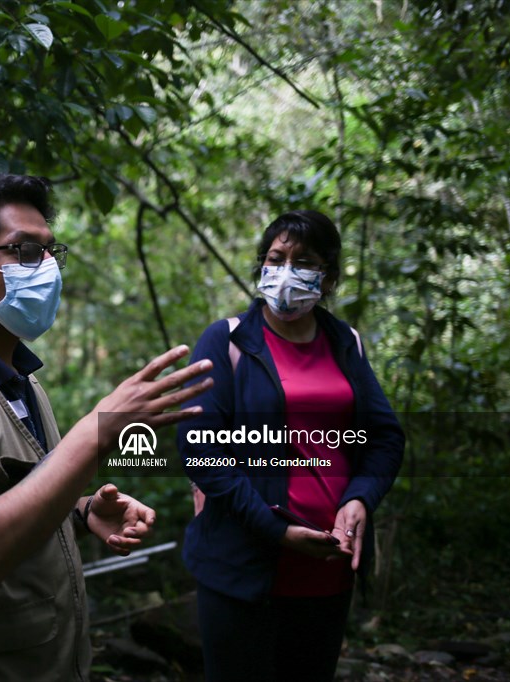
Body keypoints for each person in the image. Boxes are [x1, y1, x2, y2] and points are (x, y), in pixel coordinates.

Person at [0, 174, 214, 681]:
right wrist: (97, 432)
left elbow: (12, 496)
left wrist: (79, 512)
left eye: (52, 251)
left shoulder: (20, 383)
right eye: (25, 251)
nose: (47, 267)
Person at [177, 210, 405, 681]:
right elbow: (200, 450)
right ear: (261, 266)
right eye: (276, 258)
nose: (285, 271)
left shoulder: (347, 343)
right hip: (243, 571)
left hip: (329, 572)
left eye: (303, 260)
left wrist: (361, 497)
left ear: (328, 274)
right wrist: (275, 529)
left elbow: (384, 436)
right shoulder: (227, 341)